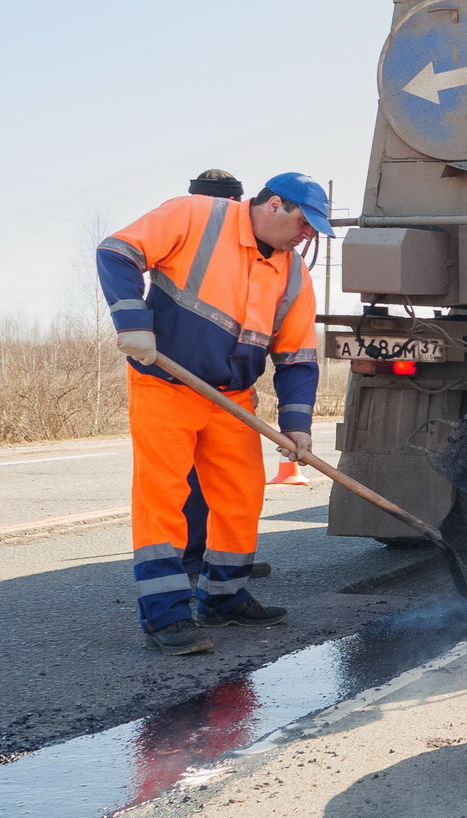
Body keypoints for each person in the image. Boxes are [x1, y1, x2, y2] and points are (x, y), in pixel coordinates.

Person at [97, 173, 328, 655]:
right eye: (305, 225)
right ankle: (166, 616)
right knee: (164, 498)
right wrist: (134, 322)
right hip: (166, 385)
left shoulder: (293, 275)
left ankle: (223, 598)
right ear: (275, 206)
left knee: (240, 498)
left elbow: (298, 357)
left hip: (232, 398)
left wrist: (297, 427)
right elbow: (116, 252)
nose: (308, 237)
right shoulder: (195, 215)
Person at [177, 170, 272, 585]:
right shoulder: (195, 238)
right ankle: (192, 560)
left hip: (229, 386)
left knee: (228, 483)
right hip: (184, 384)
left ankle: (222, 562)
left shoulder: (243, 246)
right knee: (193, 480)